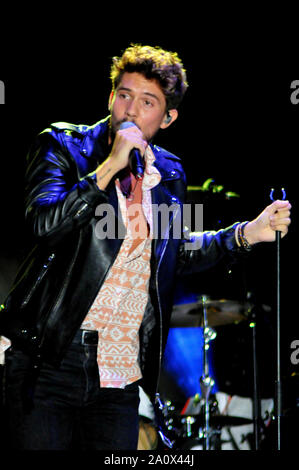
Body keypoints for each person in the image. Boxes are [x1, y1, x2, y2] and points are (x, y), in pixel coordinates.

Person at [0, 44, 291, 450]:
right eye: (124, 95)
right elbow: (46, 225)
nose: (131, 110)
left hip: (119, 373)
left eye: (147, 101)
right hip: (50, 361)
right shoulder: (64, 146)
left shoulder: (168, 173)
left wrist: (246, 233)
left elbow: (176, 252)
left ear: (168, 117)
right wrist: (108, 168)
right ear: (110, 97)